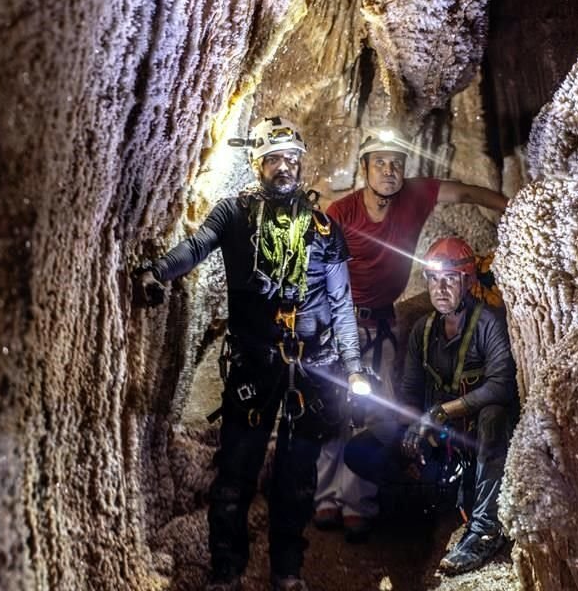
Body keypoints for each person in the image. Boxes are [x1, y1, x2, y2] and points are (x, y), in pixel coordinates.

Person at [135, 116, 369, 591]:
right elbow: (196, 247)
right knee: (236, 469)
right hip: (253, 364)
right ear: (256, 163)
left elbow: (342, 305)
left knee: (297, 474)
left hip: (313, 368)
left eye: (292, 159)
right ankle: (227, 572)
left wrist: (356, 369)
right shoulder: (233, 215)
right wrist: (159, 272)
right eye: (275, 159)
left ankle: (287, 571)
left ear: (301, 164)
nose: (285, 167)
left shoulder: (325, 231)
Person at [314, 127, 509, 541]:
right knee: (333, 408)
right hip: (340, 321)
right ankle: (325, 499)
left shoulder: (415, 196)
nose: (390, 170)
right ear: (364, 168)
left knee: (371, 411)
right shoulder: (341, 213)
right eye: (380, 162)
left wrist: (516, 209)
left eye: (397, 163)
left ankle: (356, 504)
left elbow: (469, 193)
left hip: (381, 322)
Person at [344, 236, 518, 575]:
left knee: (493, 416)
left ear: (467, 282)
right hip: (438, 439)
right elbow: (410, 392)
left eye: (450, 279)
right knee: (360, 449)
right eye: (434, 279)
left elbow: (501, 386)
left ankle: (484, 528)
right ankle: (420, 506)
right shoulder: (424, 331)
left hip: (475, 439)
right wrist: (412, 430)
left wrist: (439, 413)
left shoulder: (489, 324)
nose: (440, 288)